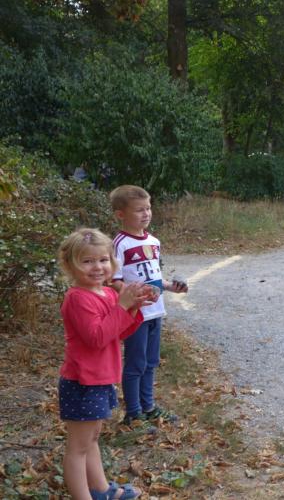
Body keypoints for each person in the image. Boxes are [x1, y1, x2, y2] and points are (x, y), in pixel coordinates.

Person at [57, 228, 152, 499]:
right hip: (82, 381)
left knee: (92, 439)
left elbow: (117, 332)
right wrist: (122, 307)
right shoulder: (77, 298)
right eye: (87, 261)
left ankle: (101, 491)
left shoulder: (108, 294)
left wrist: (133, 306)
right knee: (78, 447)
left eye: (103, 259)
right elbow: (97, 337)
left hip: (101, 378)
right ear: (70, 265)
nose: (97, 267)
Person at [109, 185, 189, 426]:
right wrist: (131, 297)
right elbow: (114, 280)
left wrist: (170, 286)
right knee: (136, 363)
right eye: (139, 210)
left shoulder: (154, 241)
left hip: (155, 311)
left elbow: (153, 276)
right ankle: (133, 413)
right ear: (121, 214)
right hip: (136, 314)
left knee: (151, 361)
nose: (146, 214)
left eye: (148, 208)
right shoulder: (120, 244)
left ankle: (149, 407)